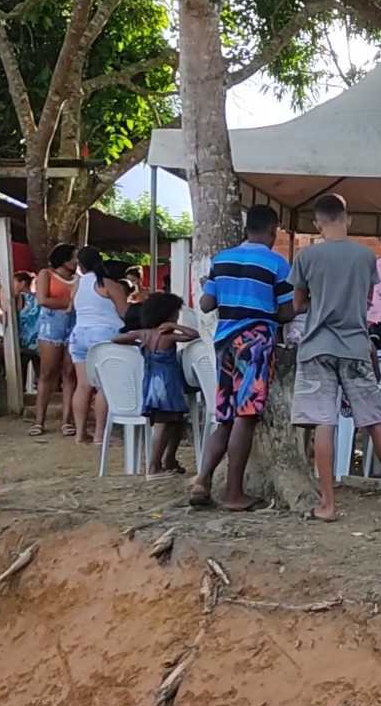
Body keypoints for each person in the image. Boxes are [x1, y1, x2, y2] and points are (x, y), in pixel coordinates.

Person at [289, 193, 381, 520]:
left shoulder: (306, 257)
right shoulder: (365, 257)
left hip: (316, 347)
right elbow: (367, 300)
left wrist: (321, 302)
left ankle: (327, 504)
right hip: (355, 345)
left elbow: (298, 305)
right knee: (374, 420)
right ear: (347, 219)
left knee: (324, 422)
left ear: (316, 223)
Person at [192, 206, 294, 510]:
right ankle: (234, 493)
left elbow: (207, 303)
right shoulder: (277, 263)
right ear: (273, 230)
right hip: (257, 342)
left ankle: (202, 480)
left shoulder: (221, 260)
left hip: (223, 342)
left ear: (246, 228)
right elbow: (288, 311)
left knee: (223, 417)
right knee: (246, 416)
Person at [111, 292, 198, 478]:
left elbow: (116, 339)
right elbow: (193, 335)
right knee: (163, 424)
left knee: (175, 421)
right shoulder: (168, 336)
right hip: (167, 386)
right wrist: (174, 326)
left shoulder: (144, 334)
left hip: (151, 384)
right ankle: (153, 466)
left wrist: (138, 343)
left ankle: (168, 460)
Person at [68, 246, 130, 444]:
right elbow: (125, 313)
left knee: (83, 385)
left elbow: (72, 307)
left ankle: (80, 434)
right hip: (104, 335)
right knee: (105, 385)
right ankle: (100, 434)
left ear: (80, 265)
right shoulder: (108, 284)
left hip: (79, 334)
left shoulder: (77, 284)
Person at [31, 244, 80, 437]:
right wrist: (70, 304)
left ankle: (66, 419)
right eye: (74, 257)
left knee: (69, 373)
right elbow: (42, 300)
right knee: (47, 373)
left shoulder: (79, 279)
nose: (77, 261)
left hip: (72, 326)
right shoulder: (46, 274)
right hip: (51, 327)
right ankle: (39, 420)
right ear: (65, 259)